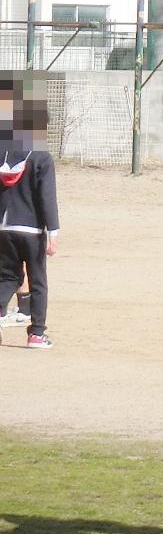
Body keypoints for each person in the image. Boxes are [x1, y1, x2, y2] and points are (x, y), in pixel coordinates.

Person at [0, 92, 59, 348]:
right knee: (38, 280)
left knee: (7, 277)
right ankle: (36, 333)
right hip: (32, 229)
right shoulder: (41, 156)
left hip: (3, 226)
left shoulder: (3, 153)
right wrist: (53, 231)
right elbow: (47, 197)